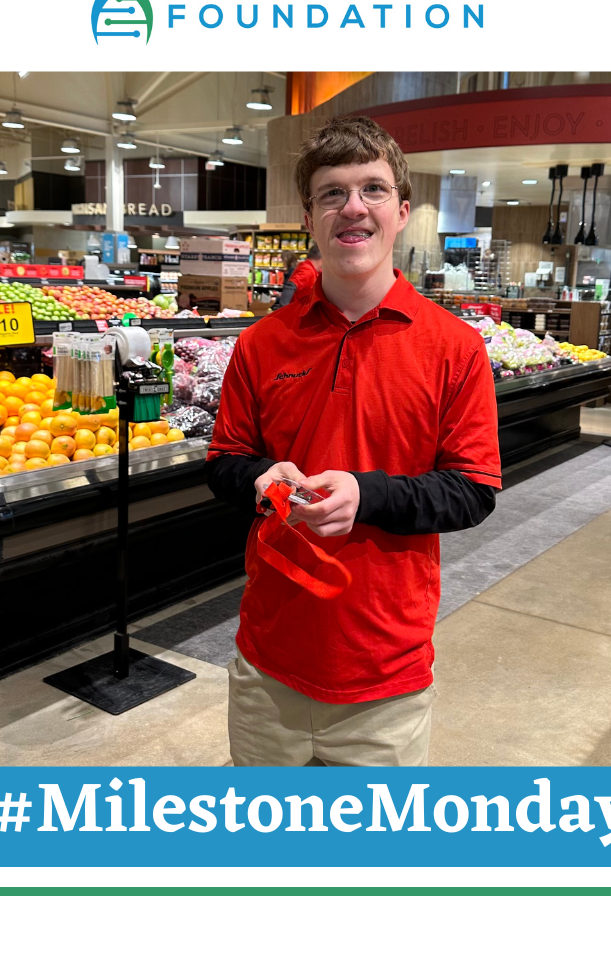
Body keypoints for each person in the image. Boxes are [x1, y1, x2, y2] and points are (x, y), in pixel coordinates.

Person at [207, 115, 502, 767]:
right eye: (331, 193)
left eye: (372, 189)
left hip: (384, 680)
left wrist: (365, 496)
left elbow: (474, 491)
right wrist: (259, 480)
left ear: (401, 210)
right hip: (268, 667)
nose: (353, 208)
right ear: (310, 217)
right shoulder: (261, 345)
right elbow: (224, 461)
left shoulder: (453, 346)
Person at [273, 243, 322, 308]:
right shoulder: (307, 271)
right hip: (299, 313)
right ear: (322, 259)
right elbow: (290, 286)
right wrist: (283, 310)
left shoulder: (310, 269)